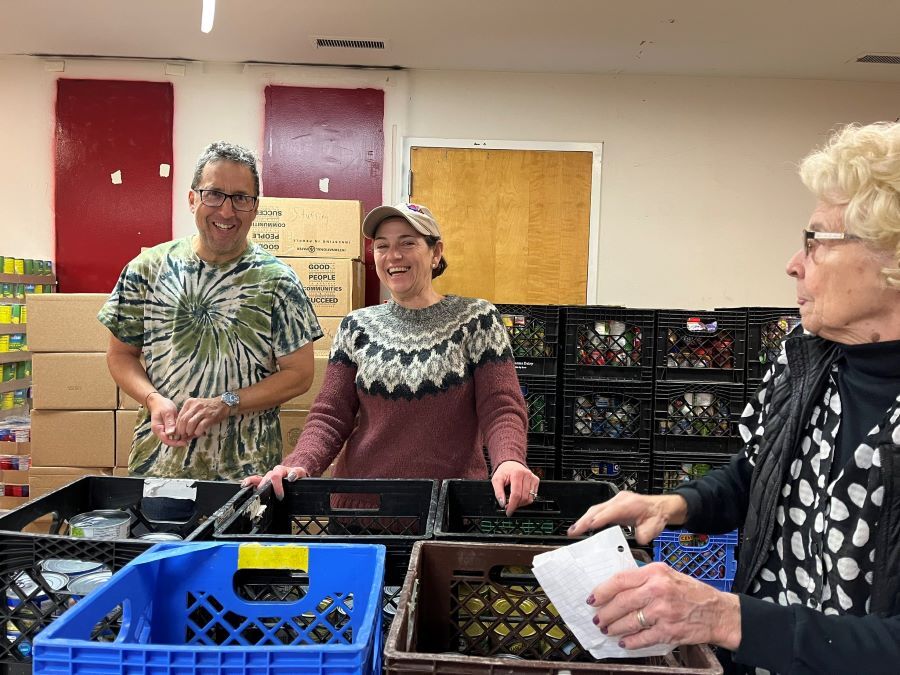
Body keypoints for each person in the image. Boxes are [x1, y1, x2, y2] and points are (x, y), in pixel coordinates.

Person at [569, 121, 900, 674]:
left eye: (816, 241)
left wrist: (725, 619)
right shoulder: (806, 357)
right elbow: (758, 473)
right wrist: (674, 505)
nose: (794, 262)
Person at [244, 202, 540, 515]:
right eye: (382, 246)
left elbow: (501, 406)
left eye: (407, 243)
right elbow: (331, 415)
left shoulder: (476, 319)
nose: (393, 255)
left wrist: (509, 459)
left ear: (435, 253)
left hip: (447, 508)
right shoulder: (356, 325)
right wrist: (298, 465)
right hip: (361, 506)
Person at [99, 141, 322, 481]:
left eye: (241, 198)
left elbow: (300, 374)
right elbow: (120, 355)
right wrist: (153, 399)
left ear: (255, 207)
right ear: (192, 199)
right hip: (159, 468)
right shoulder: (147, 269)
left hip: (248, 475)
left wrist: (226, 402)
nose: (227, 212)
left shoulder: (278, 282)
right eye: (214, 194)